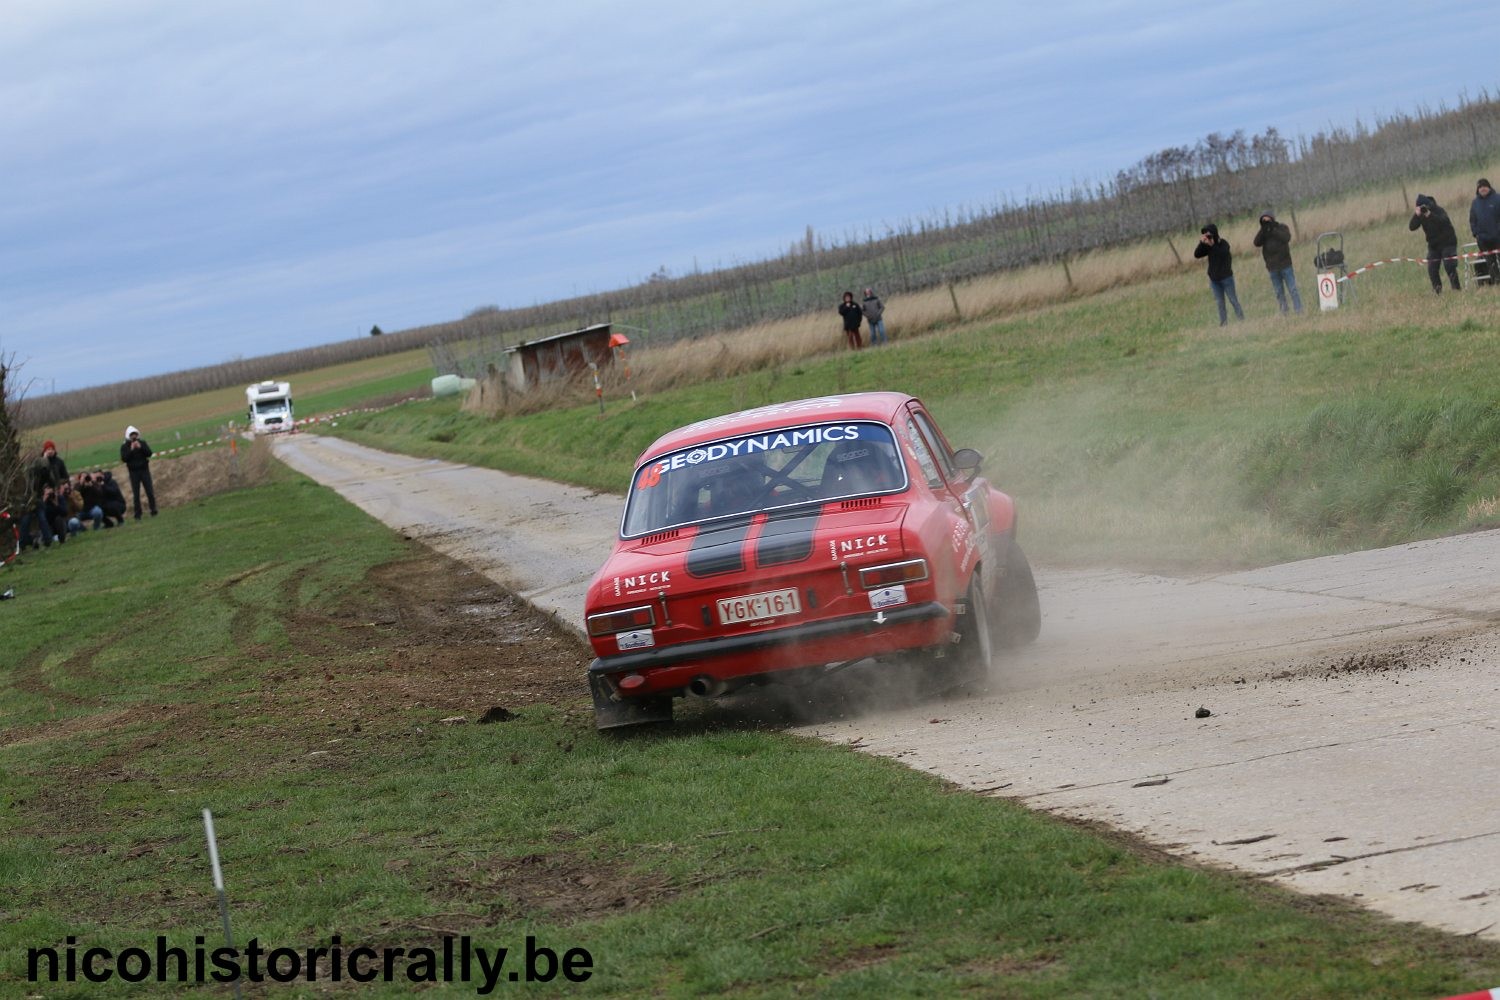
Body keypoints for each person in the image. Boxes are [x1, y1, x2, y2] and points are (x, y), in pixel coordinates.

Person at [1193, 223, 1244, 325]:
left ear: (1214, 233)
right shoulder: (1207, 246)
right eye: (1206, 235)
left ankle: (1241, 319)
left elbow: (1223, 254)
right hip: (1214, 280)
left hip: (1227, 278)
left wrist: (1212, 245)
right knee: (1220, 303)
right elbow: (1197, 254)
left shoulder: (1223, 243)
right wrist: (1202, 243)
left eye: (1209, 234)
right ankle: (1223, 323)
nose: (1208, 237)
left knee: (1233, 300)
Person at [1252, 212, 1302, 314]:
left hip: (1285, 265)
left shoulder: (1281, 227)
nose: (1266, 222)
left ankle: (1299, 310)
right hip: (1272, 267)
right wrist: (1263, 229)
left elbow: (1286, 237)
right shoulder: (1264, 232)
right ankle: (1284, 311)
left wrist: (1273, 229)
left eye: (1268, 220)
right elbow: (1256, 243)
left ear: (1272, 219)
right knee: (1279, 292)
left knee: (1292, 289)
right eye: (1264, 221)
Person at [1410, 194, 1460, 293]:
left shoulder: (1438, 210)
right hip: (1433, 245)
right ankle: (1437, 290)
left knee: (1449, 265)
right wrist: (1417, 215)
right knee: (1432, 268)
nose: (1423, 209)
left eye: (1424, 207)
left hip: (1448, 242)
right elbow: (1412, 227)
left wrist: (1430, 215)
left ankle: (1456, 288)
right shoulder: (1421, 215)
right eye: (1420, 207)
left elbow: (1444, 222)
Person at [120, 425, 158, 519]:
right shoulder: (125, 446)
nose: (134, 437)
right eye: (131, 435)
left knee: (149, 491)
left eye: (135, 434)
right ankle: (138, 514)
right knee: (136, 494)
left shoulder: (142, 443)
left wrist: (140, 447)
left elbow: (149, 453)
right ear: (128, 436)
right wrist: (131, 450)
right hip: (133, 473)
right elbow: (124, 458)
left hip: (144, 470)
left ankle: (153, 510)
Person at [1470, 178, 1500, 286]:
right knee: (1490, 262)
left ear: (1489, 187)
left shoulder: (1497, 199)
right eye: (1480, 187)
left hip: (1498, 237)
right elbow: (1472, 220)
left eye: (1484, 186)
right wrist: (1476, 233)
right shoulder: (1475, 203)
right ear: (1478, 189)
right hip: (1483, 240)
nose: (1482, 189)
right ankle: (1496, 281)